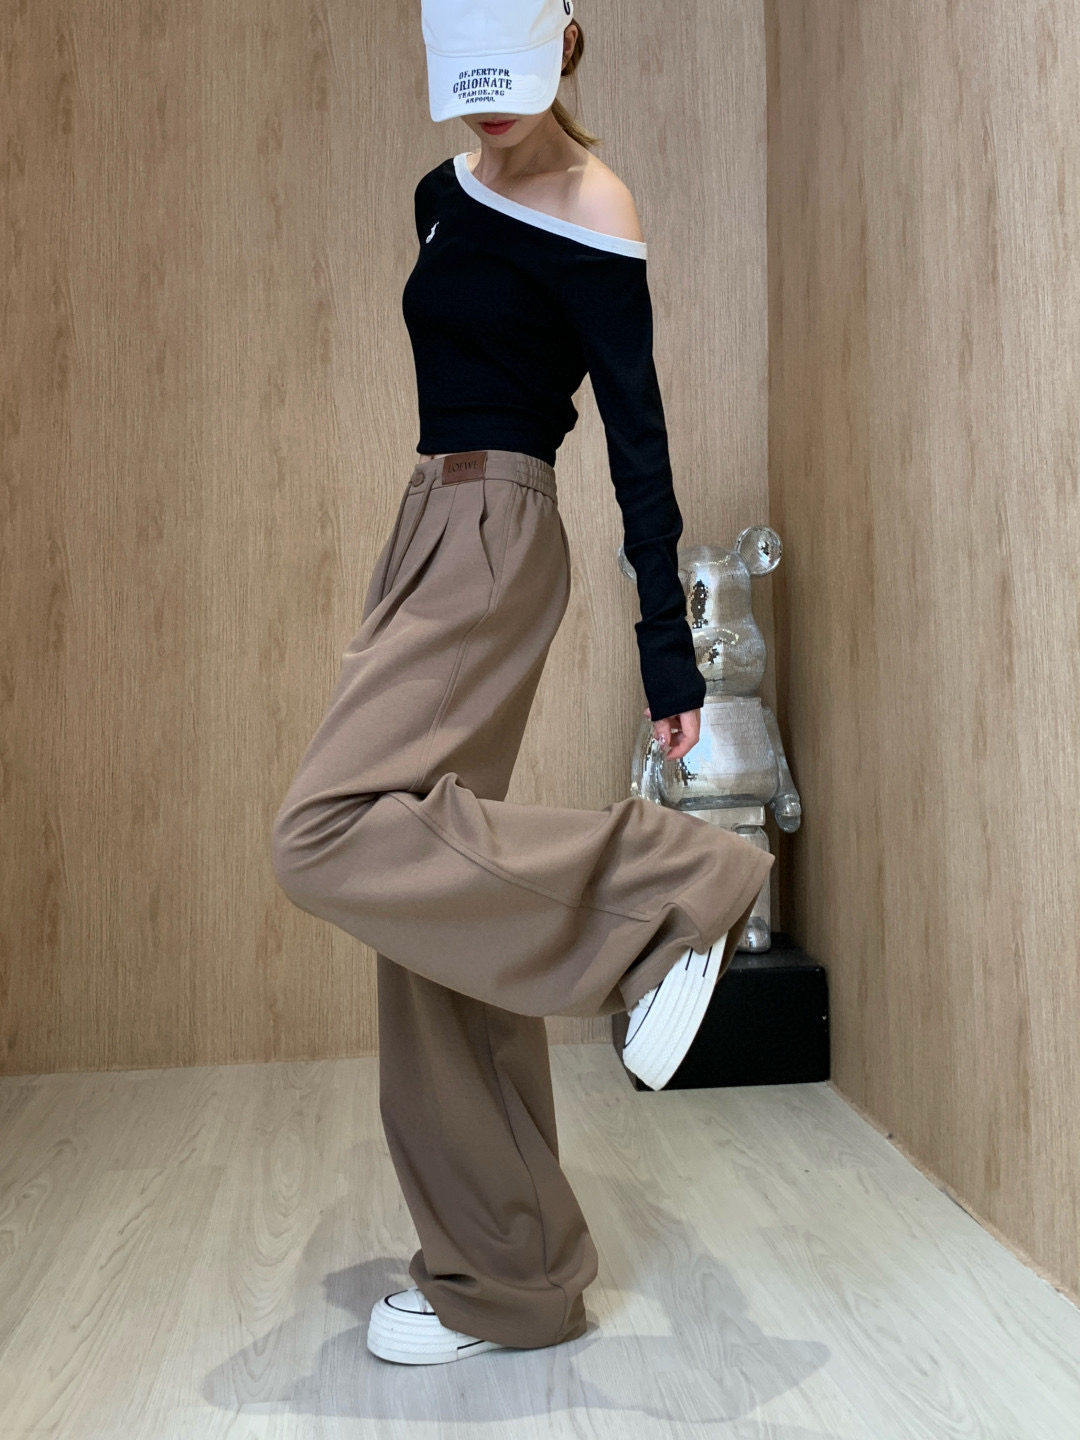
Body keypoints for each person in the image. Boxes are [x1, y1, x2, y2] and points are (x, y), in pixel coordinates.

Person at [270, 0, 774, 1367]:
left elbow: (638, 441)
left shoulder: (595, 204)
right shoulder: (440, 195)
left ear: (562, 37)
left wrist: (668, 649)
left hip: (497, 530)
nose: (487, 96)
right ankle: (511, 1274)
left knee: (323, 833)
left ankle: (675, 884)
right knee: (436, 920)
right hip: (424, 525)